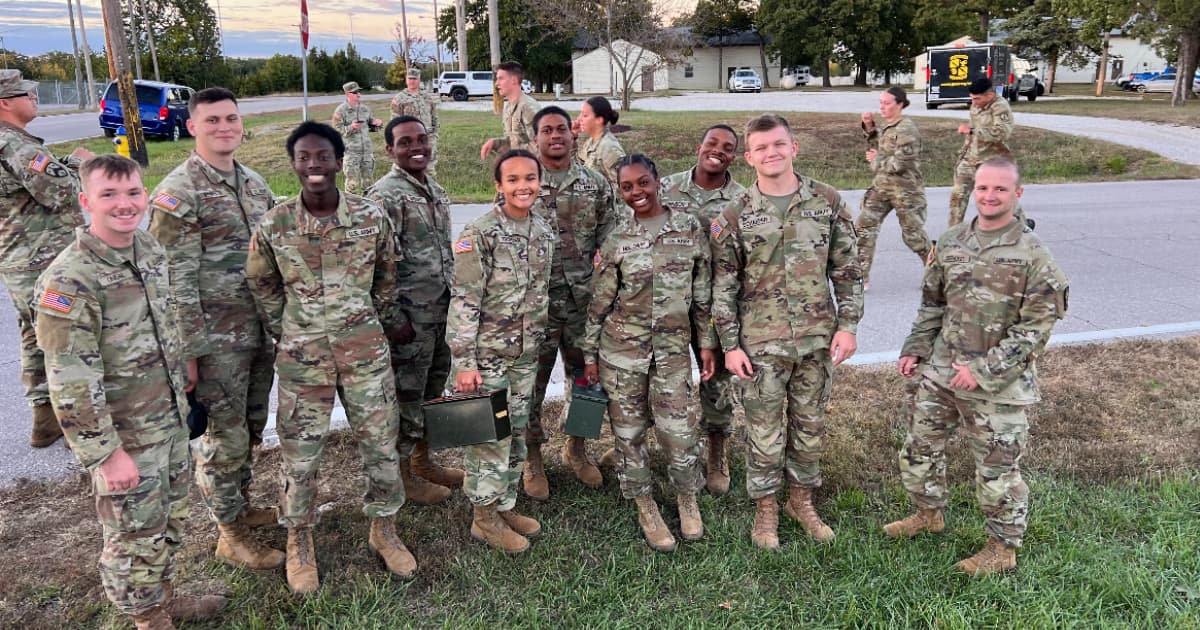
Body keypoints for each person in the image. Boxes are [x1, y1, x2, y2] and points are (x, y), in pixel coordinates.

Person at [36, 155, 226, 630]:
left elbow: (167, 317)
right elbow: (69, 379)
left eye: (133, 193)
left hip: (167, 420)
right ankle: (146, 618)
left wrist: (184, 362)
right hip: (124, 436)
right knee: (132, 534)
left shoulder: (146, 248)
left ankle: (163, 597)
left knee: (171, 519)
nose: (125, 205)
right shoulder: (70, 279)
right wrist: (106, 455)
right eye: (109, 195)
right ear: (86, 202)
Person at [246, 122, 414, 594]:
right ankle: (299, 537)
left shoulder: (369, 217)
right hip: (304, 360)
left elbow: (386, 276)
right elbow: (262, 284)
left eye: (323, 156)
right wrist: (289, 329)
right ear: (294, 163)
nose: (314, 165)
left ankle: (385, 528)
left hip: (365, 353)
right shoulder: (275, 223)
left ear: (339, 162)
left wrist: (376, 318)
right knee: (300, 456)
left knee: (381, 445)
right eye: (304, 157)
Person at [889, 157, 1069, 576]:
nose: (989, 196)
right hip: (942, 371)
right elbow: (933, 302)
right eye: (983, 188)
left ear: (1017, 194)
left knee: (997, 469)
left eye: (1000, 189)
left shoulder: (1033, 254)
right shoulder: (951, 241)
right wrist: (915, 348)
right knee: (919, 448)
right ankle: (928, 514)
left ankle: (1001, 549)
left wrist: (984, 371)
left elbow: (1036, 327)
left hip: (997, 384)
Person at [710, 113, 864, 550]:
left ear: (794, 148)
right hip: (760, 345)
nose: (771, 153)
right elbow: (723, 285)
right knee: (763, 432)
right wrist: (729, 346)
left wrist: (848, 326)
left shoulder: (827, 202)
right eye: (761, 148)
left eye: (778, 145)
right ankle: (766, 510)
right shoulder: (735, 215)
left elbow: (848, 270)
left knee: (809, 425)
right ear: (748, 158)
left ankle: (802, 500)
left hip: (817, 339)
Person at [148, 86, 283, 571]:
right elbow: (172, 278)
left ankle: (241, 509)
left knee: (249, 428)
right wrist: (188, 352)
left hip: (256, 330)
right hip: (213, 343)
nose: (224, 128)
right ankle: (228, 533)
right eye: (212, 121)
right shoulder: (178, 191)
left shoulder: (252, 182)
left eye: (231, 119)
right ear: (192, 127)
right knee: (223, 439)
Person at [581, 154, 717, 552]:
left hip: (673, 352)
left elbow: (703, 294)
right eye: (627, 187)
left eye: (643, 183)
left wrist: (706, 343)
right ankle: (645, 505)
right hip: (622, 354)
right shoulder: (617, 238)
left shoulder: (688, 227)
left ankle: (686, 498)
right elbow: (599, 303)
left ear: (657, 181)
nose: (636, 192)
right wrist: (589, 355)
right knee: (629, 433)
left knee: (679, 432)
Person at [446, 149, 554, 554]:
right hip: (487, 357)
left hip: (525, 356)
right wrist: (464, 363)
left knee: (515, 434)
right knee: (489, 439)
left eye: (530, 178)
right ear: (498, 186)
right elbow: (464, 300)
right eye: (513, 179)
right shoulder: (480, 233)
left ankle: (504, 504)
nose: (523, 186)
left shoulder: (543, 231)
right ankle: (484, 519)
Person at [365, 115, 464, 504]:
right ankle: (402, 474)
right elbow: (377, 264)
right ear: (390, 150)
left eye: (421, 139)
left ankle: (424, 460)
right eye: (405, 142)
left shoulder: (434, 190)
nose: (416, 147)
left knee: (432, 391)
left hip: (440, 313)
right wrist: (391, 319)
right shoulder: (384, 196)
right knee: (407, 396)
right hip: (407, 319)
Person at [524, 105, 616, 499]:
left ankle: (576, 448)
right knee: (531, 385)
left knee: (588, 382)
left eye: (562, 128)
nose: (556, 136)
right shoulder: (522, 183)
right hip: (536, 308)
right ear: (536, 139)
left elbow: (610, 244)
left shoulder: (595, 184)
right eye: (547, 130)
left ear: (573, 134)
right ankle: (532, 458)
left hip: (583, 306)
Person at [0, 68, 93, 448]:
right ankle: (79, 428)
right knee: (65, 340)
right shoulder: (18, 147)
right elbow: (61, 194)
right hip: (43, 261)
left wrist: (63, 162)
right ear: (5, 103)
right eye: (26, 94)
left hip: (19, 260)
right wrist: (79, 164)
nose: (34, 98)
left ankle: (45, 419)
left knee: (34, 335)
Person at [659, 123, 746, 496]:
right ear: (699, 146)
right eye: (712, 143)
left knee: (717, 383)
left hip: (720, 305)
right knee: (665, 383)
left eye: (727, 147)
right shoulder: (667, 188)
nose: (718, 150)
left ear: (734, 156)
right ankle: (666, 450)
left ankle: (716, 451)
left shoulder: (742, 199)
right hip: (672, 305)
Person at [856, 87, 932, 288]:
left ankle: (937, 271)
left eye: (887, 103)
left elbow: (899, 164)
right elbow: (882, 143)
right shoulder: (891, 126)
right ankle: (860, 277)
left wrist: (875, 160)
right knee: (864, 228)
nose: (882, 107)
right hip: (882, 188)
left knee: (913, 235)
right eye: (881, 103)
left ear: (900, 104)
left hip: (905, 191)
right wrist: (869, 126)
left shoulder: (907, 130)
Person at [948, 78, 1014, 227]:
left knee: (997, 198)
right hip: (971, 158)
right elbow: (973, 128)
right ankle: (953, 234)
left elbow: (1003, 133)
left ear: (990, 95)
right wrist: (964, 151)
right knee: (958, 195)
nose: (974, 101)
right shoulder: (976, 104)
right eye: (972, 98)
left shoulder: (1000, 107)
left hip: (991, 161)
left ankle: (1020, 224)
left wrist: (972, 131)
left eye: (977, 98)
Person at [479, 62, 541, 159]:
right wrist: (495, 143)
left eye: (500, 79)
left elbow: (540, 146)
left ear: (514, 80)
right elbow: (513, 141)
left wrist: (514, 153)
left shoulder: (528, 107)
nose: (496, 83)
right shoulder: (509, 107)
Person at [332, 81, 382, 195]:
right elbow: (336, 130)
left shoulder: (365, 109)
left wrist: (377, 124)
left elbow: (369, 127)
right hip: (351, 152)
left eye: (359, 92)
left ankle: (368, 207)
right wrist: (351, 127)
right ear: (347, 94)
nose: (358, 94)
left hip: (367, 152)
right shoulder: (341, 111)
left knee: (368, 183)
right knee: (352, 184)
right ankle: (351, 209)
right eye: (355, 92)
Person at [389, 68, 440, 176]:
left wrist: (435, 135)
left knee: (429, 170)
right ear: (406, 80)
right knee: (410, 170)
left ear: (419, 80)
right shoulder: (399, 99)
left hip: (428, 139)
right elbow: (395, 123)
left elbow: (434, 117)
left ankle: (429, 192)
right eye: (410, 78)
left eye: (415, 79)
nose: (412, 81)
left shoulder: (427, 97)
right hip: (410, 141)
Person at [574, 96, 626, 187]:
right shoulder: (591, 142)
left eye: (585, 115)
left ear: (599, 120)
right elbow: (576, 168)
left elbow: (622, 187)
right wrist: (571, 137)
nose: (579, 119)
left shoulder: (610, 148)